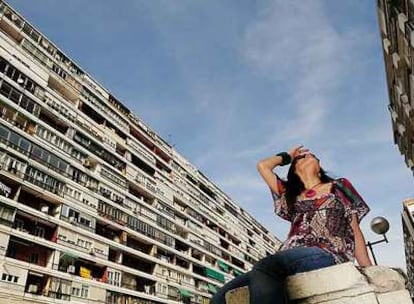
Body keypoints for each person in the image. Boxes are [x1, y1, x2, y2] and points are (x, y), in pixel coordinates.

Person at [210, 145, 372, 304]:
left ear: (319, 167)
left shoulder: (338, 186)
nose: (309, 154)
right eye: (301, 157)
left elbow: (354, 229)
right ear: (295, 169)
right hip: (290, 255)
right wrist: (288, 156)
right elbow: (263, 166)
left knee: (266, 266)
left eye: (312, 155)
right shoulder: (289, 194)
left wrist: (369, 270)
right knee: (220, 297)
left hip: (326, 252)